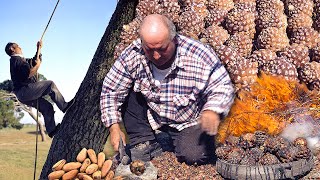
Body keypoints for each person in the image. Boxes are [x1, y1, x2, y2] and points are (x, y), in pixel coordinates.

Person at [100, 14, 235, 165]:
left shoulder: (198, 55)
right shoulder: (133, 53)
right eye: (149, 50)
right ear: (142, 43)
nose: (156, 56)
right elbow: (111, 89)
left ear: (175, 40)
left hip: (188, 119)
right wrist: (113, 126)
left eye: (162, 49)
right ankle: (144, 141)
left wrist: (212, 110)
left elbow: (222, 85)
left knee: (194, 156)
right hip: (153, 114)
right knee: (125, 85)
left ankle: (188, 139)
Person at [5, 41, 75, 138]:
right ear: (12, 49)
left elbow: (33, 62)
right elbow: (28, 74)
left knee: (47, 107)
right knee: (50, 85)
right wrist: (38, 66)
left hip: (22, 95)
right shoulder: (16, 60)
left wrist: (38, 49)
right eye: (18, 46)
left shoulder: (19, 61)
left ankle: (51, 131)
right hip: (25, 91)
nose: (20, 47)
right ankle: (64, 106)